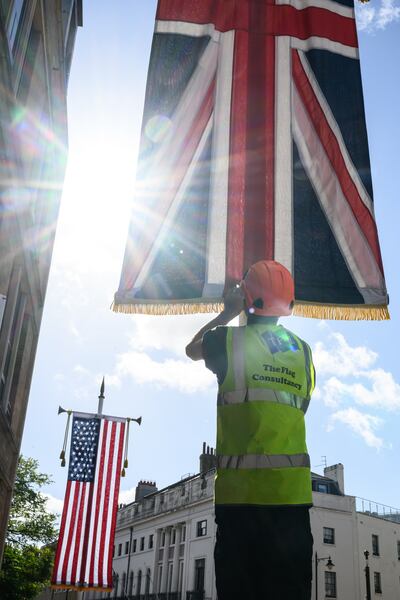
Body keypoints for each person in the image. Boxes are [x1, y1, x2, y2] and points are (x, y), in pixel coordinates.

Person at [185, 260, 315, 600]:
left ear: (247, 298)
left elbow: (191, 349)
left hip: (240, 502)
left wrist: (227, 312)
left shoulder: (227, 342)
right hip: (292, 503)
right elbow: (302, 403)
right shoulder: (302, 352)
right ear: (289, 303)